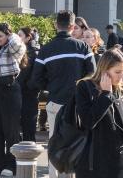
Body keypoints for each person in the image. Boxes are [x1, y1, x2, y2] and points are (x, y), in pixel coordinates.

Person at [30, 10, 96, 178]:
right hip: (78, 103)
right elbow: (93, 74)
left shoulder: (46, 49)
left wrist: (51, 86)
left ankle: (54, 176)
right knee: (77, 141)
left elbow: (36, 79)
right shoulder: (83, 47)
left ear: (55, 25)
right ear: (73, 27)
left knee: (54, 142)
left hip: (55, 101)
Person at [74, 48, 123, 177]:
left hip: (121, 161)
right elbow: (88, 122)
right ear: (104, 70)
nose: (122, 76)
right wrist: (106, 95)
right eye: (117, 72)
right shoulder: (85, 87)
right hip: (94, 162)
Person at [0, 24, 26, 176]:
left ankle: (12, 164)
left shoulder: (11, 46)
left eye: (0, 36)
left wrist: (12, 34)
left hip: (10, 88)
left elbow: (19, 47)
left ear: (7, 35)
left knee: (11, 130)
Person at [17, 28, 40, 142]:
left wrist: (28, 86)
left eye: (20, 35)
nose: (17, 37)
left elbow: (35, 75)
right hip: (21, 92)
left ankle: (29, 153)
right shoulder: (21, 50)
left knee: (29, 127)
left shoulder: (33, 52)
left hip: (28, 94)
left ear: (28, 37)